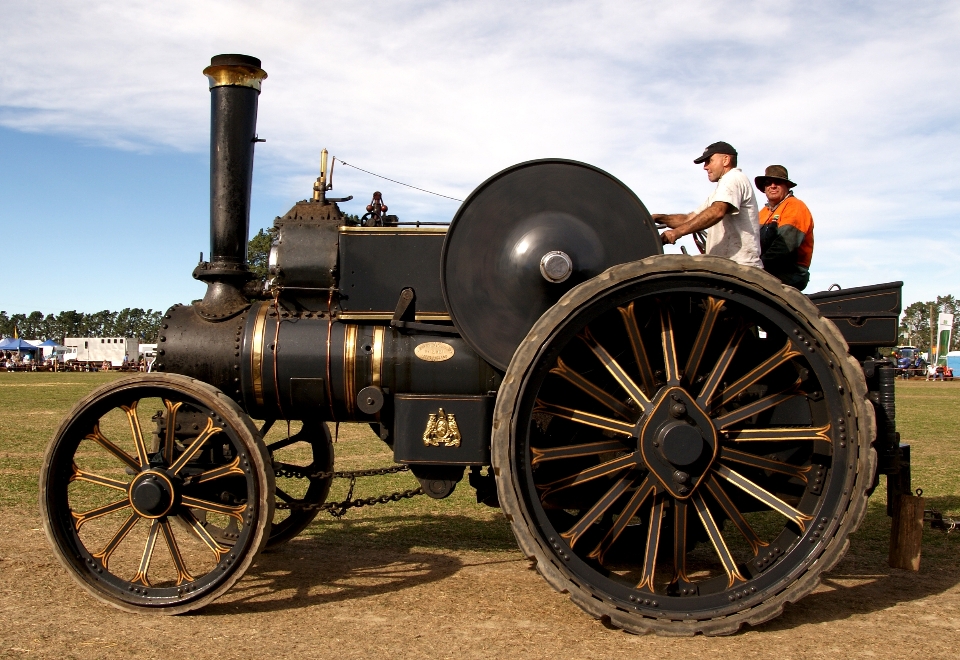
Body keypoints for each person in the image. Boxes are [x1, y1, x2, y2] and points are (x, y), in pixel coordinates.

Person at [653, 141, 762, 268]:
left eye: (709, 161)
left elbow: (717, 212)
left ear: (725, 160)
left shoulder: (733, 178)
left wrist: (676, 232)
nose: (705, 167)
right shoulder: (720, 192)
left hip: (739, 266)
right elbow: (689, 219)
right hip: (728, 266)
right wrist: (658, 218)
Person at [755, 165, 815, 290]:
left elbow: (785, 246)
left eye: (777, 182)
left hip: (790, 273)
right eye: (768, 183)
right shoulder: (762, 213)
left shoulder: (795, 206)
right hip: (766, 269)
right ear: (764, 188)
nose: (772, 186)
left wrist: (755, 266)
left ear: (787, 186)